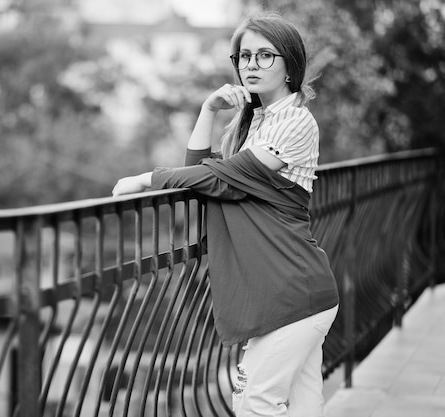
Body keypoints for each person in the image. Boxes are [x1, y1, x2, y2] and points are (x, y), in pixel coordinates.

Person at [112, 12, 340, 417]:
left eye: (264, 55)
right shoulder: (254, 123)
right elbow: (200, 175)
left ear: (290, 64)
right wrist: (208, 110)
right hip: (286, 291)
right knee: (305, 408)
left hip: (292, 291)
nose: (250, 64)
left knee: (255, 403)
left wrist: (148, 178)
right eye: (243, 56)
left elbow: (227, 177)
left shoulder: (296, 120)